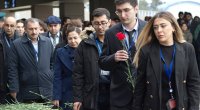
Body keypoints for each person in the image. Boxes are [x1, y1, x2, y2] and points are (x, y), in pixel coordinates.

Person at [132, 11, 200, 110]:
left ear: (173, 27)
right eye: (155, 27)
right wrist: (136, 107)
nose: (159, 30)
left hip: (181, 105)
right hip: (154, 105)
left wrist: (194, 107)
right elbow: (140, 84)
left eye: (163, 26)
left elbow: (194, 82)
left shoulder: (187, 49)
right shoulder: (146, 51)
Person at [98, 0, 146, 110]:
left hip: (145, 94)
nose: (123, 15)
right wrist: (113, 58)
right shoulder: (111, 33)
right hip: (119, 96)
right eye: (119, 11)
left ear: (136, 9)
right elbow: (102, 62)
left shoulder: (148, 29)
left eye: (126, 10)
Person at [73, 8, 111, 110]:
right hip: (92, 91)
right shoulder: (84, 44)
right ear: (92, 24)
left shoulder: (117, 41)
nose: (100, 27)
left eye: (103, 23)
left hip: (113, 91)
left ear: (109, 22)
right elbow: (78, 73)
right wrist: (78, 98)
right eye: (96, 23)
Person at [8, 18, 54, 103]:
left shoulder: (47, 42)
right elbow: (12, 69)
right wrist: (13, 89)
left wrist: (50, 75)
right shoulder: (16, 44)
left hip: (47, 90)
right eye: (31, 29)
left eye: (36, 28)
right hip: (27, 91)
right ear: (25, 29)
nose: (34, 32)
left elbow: (52, 63)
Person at [52, 25, 82, 110]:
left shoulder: (87, 51)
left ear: (80, 37)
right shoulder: (60, 52)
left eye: (75, 38)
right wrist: (56, 96)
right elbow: (57, 76)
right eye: (70, 38)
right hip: (66, 92)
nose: (73, 41)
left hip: (83, 91)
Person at [0, 16, 19, 104]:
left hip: (17, 79)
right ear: (3, 26)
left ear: (15, 27)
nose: (9, 28)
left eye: (12, 26)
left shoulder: (21, 40)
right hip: (2, 78)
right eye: (7, 25)